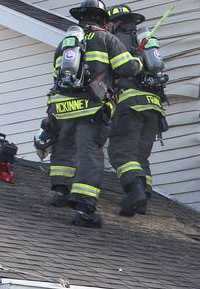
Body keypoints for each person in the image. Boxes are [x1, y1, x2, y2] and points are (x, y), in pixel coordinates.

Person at [46, 0, 140, 227]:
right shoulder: (106, 39)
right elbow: (127, 69)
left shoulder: (65, 44)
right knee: (90, 153)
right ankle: (85, 207)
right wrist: (137, 59)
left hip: (62, 106)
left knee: (65, 147)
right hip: (92, 105)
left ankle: (60, 192)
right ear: (104, 21)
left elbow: (57, 77)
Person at [106, 4, 167, 216]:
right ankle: (143, 198)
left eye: (110, 24)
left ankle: (135, 192)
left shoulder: (115, 42)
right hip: (153, 107)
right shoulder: (146, 43)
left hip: (129, 104)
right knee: (140, 156)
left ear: (116, 23)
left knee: (121, 153)